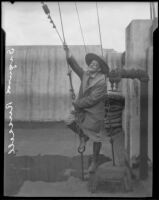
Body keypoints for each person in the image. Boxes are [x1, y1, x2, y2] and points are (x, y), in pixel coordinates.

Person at [63, 45, 109, 173]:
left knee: (96, 137)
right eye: (92, 63)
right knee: (68, 119)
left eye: (95, 64)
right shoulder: (85, 75)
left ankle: (94, 161)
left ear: (99, 69)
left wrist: (76, 104)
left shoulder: (102, 82)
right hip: (82, 108)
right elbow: (75, 66)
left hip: (95, 111)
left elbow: (92, 100)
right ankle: (83, 136)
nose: (93, 65)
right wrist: (68, 54)